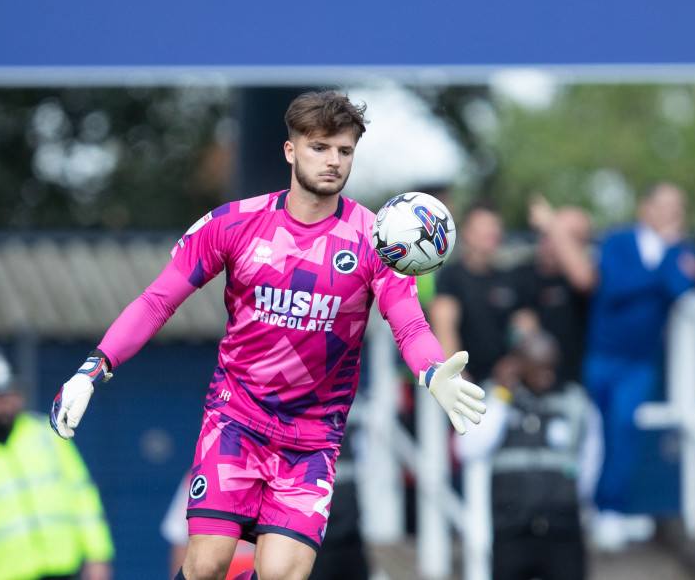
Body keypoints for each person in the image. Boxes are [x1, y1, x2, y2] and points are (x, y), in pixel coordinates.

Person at [49, 90, 487, 580]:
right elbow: (158, 301)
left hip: (312, 440)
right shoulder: (233, 224)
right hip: (235, 422)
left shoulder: (375, 241)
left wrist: (432, 370)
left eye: (344, 151)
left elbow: (410, 324)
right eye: (320, 147)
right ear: (290, 150)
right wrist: (94, 369)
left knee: (281, 574)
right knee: (206, 566)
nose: (333, 161)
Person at [582, 181, 695, 551]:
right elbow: (614, 286)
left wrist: (666, 261)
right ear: (644, 208)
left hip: (640, 361)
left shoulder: (682, 249)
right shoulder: (617, 241)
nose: (672, 215)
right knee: (593, 435)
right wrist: (664, 266)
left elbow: (682, 289)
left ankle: (611, 509)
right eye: (665, 206)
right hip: (602, 355)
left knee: (623, 427)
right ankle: (590, 507)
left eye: (677, 207)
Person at [0, 346, 114, 580]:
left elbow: (83, 497)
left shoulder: (47, 433)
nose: (4, 403)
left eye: (9, 393)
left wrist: (98, 555)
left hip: (62, 572)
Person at [455, 332, 603, 580]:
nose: (546, 376)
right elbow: (468, 449)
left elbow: (591, 459)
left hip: (562, 529)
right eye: (538, 369)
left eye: (550, 368)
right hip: (511, 529)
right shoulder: (493, 398)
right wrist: (503, 395)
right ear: (519, 364)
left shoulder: (576, 401)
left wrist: (572, 500)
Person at [429, 201, 524, 380]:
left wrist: (516, 361)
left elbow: (525, 328)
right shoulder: (451, 277)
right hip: (466, 379)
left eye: (495, 227)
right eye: (484, 228)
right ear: (467, 233)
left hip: (503, 384)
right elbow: (444, 327)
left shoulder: (509, 278)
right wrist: (456, 376)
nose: (491, 233)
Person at [513, 195, 598, 385]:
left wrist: (552, 222)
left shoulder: (582, 278)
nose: (552, 241)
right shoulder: (521, 274)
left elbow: (583, 279)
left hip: (571, 385)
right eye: (548, 233)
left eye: (565, 236)